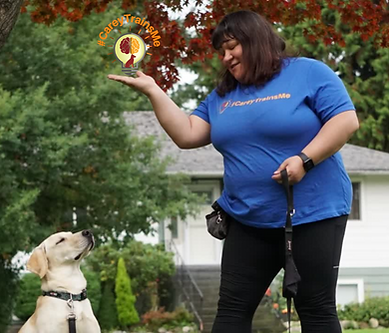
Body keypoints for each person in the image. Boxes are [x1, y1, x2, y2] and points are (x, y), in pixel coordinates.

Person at [108, 10, 359, 333]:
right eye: (221, 52)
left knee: (316, 309)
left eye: (231, 47)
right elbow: (187, 134)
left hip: (313, 215)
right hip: (248, 220)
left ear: (255, 41)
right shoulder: (224, 96)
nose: (225, 57)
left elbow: (345, 120)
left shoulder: (308, 73)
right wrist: (155, 90)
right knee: (230, 313)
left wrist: (304, 160)